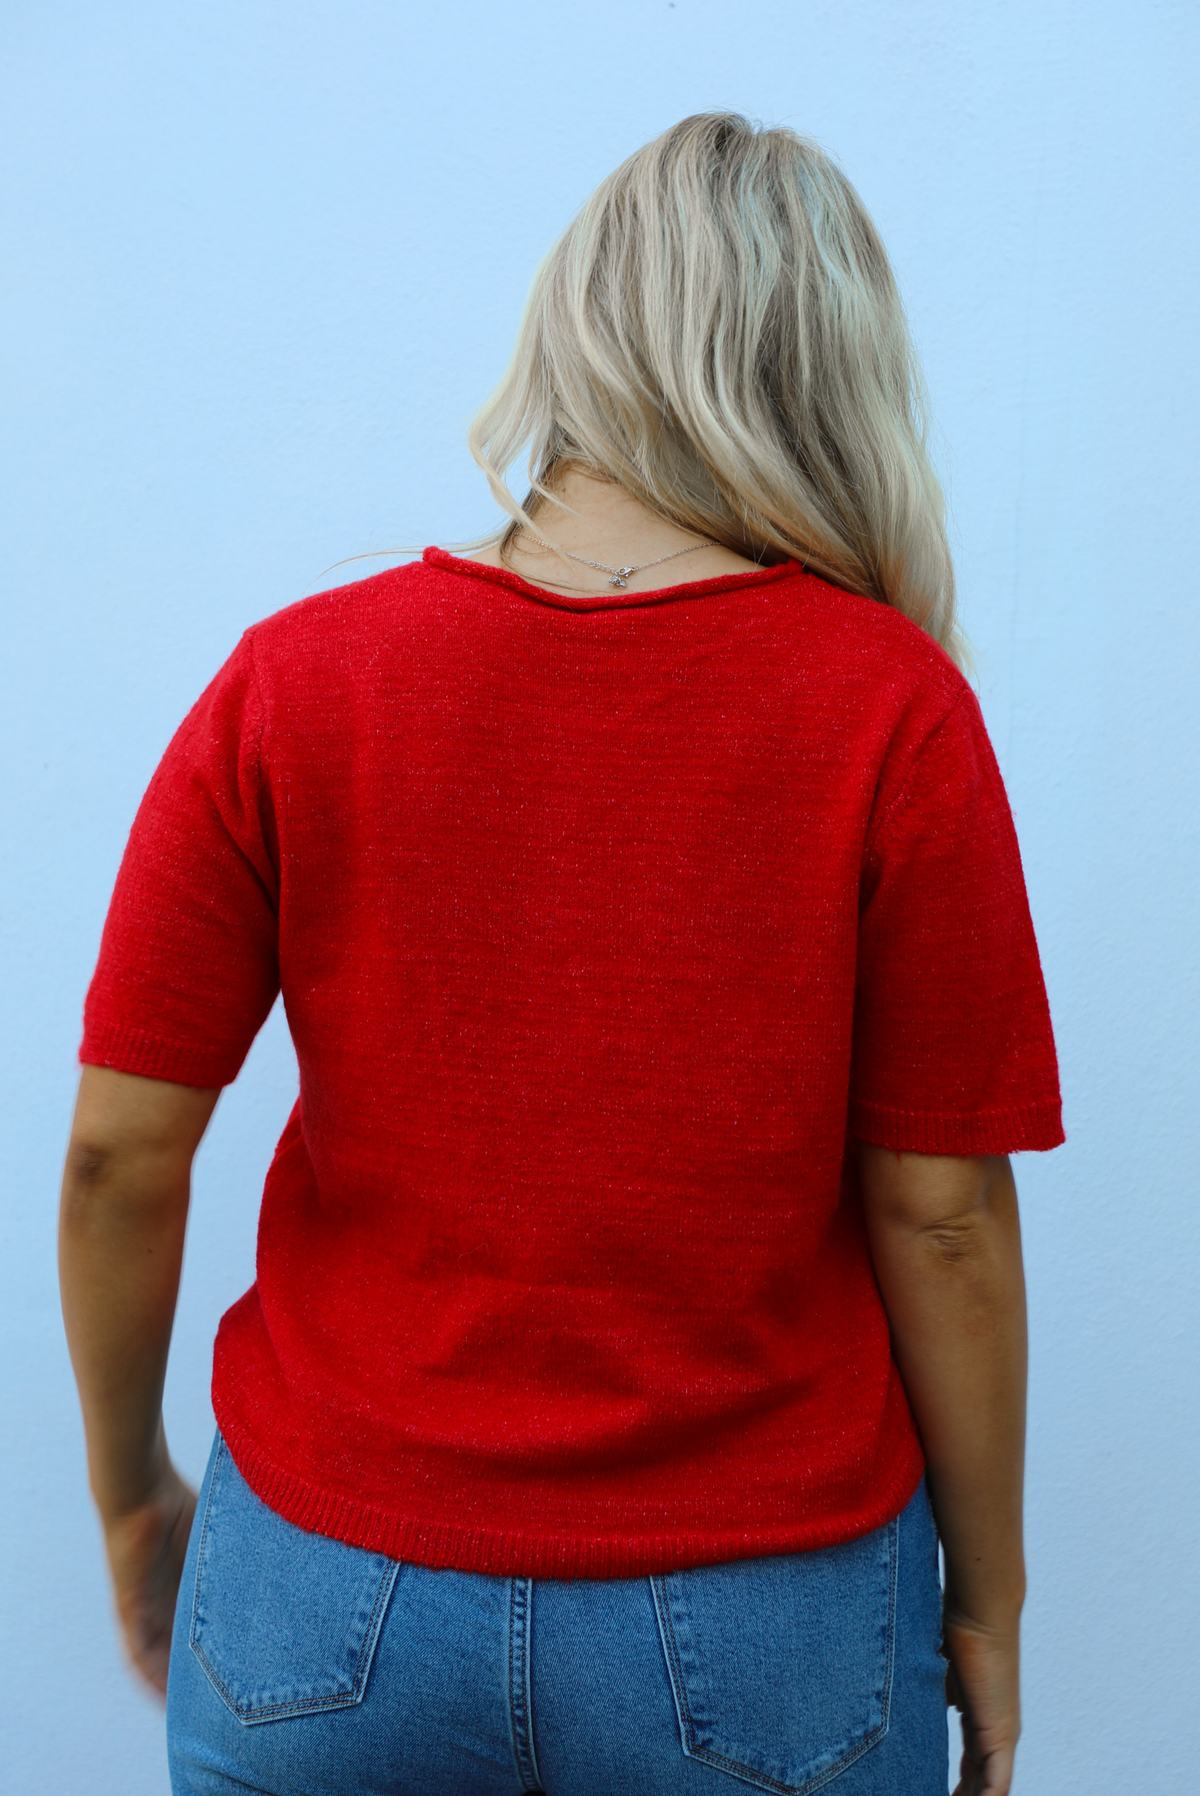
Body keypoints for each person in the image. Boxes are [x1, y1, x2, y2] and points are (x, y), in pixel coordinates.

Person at [58, 113, 1062, 1796]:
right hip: (767, 1616)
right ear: (831, 374)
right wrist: (994, 1601)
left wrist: (128, 1499)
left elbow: (117, 1152)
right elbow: (942, 1217)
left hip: (327, 1590)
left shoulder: (298, 683)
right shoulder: (892, 713)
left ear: (573, 334)